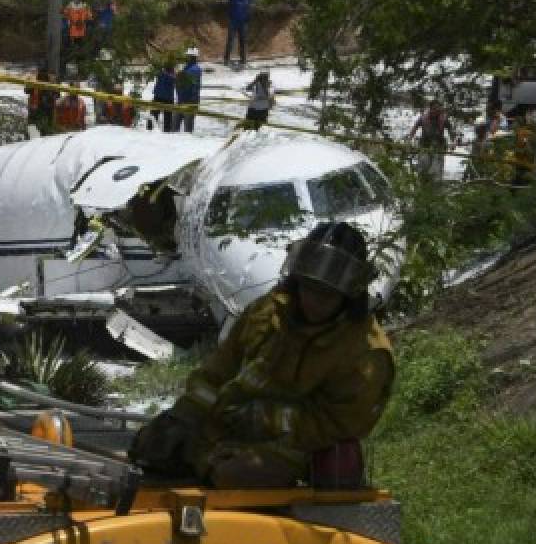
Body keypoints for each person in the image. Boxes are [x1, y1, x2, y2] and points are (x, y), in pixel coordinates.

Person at [130, 222, 394, 488]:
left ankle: (204, 467)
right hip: (228, 426)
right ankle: (200, 461)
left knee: (235, 474)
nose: (313, 300)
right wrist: (184, 416)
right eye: (308, 288)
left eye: (326, 295)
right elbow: (217, 372)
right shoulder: (268, 312)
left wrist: (268, 419)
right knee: (150, 444)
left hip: (298, 447)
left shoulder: (365, 352)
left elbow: (338, 423)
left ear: (348, 296)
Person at [408, 99, 457, 180]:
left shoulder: (443, 119)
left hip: (439, 147)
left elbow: (451, 130)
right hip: (424, 145)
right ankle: (422, 183)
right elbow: (415, 127)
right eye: (434, 108)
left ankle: (435, 186)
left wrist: (453, 142)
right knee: (423, 165)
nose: (436, 111)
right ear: (430, 108)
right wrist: (410, 139)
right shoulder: (423, 118)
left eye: (438, 109)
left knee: (436, 170)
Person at [225, 0, 253, 66]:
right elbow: (229, 8)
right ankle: (226, 59)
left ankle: (243, 59)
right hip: (233, 22)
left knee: (243, 41)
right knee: (230, 40)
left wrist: (247, 20)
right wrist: (230, 19)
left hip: (243, 23)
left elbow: (249, 10)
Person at [62, 0, 93, 65]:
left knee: (74, 40)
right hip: (72, 28)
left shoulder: (83, 6)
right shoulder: (72, 5)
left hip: (77, 29)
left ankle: (74, 52)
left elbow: (88, 17)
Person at [26, 67, 59, 135]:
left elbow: (57, 95)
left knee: (44, 129)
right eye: (40, 75)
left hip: (45, 109)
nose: (42, 77)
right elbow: (27, 90)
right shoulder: (35, 83)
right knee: (35, 129)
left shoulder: (50, 85)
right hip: (36, 109)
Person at [176, 47, 202, 132]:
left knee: (187, 129)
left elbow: (191, 85)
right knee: (175, 128)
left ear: (193, 57)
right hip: (182, 100)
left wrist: (179, 76)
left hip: (189, 102)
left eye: (188, 56)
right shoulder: (186, 68)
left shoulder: (195, 69)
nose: (187, 58)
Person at [151, 62, 176, 132]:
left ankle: (150, 128)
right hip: (168, 98)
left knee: (154, 113)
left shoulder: (160, 74)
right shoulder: (172, 77)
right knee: (168, 116)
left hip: (158, 96)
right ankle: (167, 130)